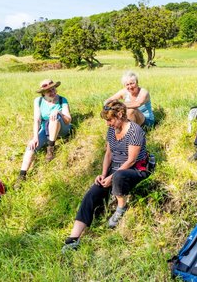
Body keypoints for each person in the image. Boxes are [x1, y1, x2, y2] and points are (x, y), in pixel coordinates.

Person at [62, 100, 151, 252]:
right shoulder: (111, 130)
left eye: (110, 119)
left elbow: (131, 160)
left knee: (118, 177)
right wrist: (103, 175)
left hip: (135, 170)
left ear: (120, 115)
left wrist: (112, 176)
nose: (108, 123)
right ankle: (73, 239)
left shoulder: (135, 130)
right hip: (114, 170)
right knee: (91, 194)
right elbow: (108, 153)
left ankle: (121, 207)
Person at [16, 79, 72, 184]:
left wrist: (58, 112)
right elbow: (37, 120)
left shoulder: (62, 100)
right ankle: (21, 176)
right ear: (43, 93)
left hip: (62, 128)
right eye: (49, 91)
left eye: (53, 89)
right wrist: (35, 137)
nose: (52, 92)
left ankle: (50, 149)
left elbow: (69, 119)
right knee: (31, 146)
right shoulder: (38, 101)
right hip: (46, 129)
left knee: (54, 118)